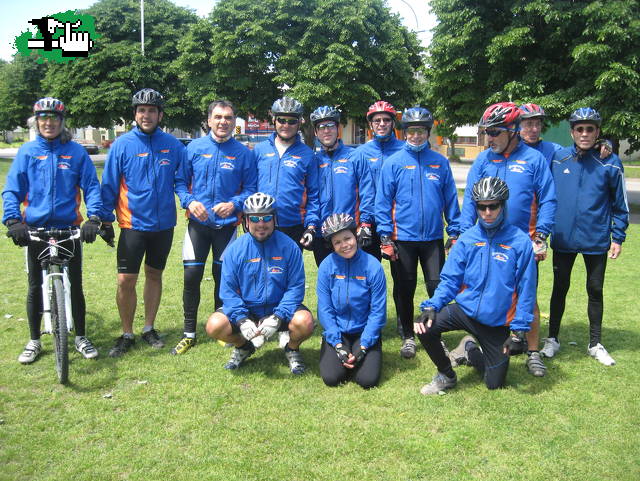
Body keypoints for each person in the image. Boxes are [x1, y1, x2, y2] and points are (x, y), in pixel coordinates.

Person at [2, 97, 103, 363]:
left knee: (76, 285)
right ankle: (34, 340)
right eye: (43, 118)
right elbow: (12, 189)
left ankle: (80, 336)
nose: (48, 123)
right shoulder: (27, 152)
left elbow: (91, 187)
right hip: (34, 229)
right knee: (35, 286)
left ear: (62, 121)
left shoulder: (76, 152)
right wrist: (13, 221)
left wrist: (94, 218)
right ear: (36, 122)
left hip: (68, 229)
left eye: (54, 118)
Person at [414, 177, 536, 394]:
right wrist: (432, 305)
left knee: (494, 383)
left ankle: (469, 349)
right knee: (424, 326)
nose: (487, 212)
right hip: (465, 310)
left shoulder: (519, 242)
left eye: (493, 206)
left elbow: (527, 290)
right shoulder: (467, 239)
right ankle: (446, 375)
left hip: (496, 321)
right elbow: (451, 279)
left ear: (503, 205)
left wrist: (519, 331)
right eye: (481, 206)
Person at [460, 102, 556, 377]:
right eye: (487, 132)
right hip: (485, 242)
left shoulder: (534, 159)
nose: (489, 138)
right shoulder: (483, 160)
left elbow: (548, 198)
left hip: (522, 243)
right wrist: (464, 234)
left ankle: (533, 352)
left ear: (513, 130)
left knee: (528, 297)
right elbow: (469, 200)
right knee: (481, 293)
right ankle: (477, 344)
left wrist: (541, 235)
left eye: (495, 132)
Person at [101, 88, 186, 357]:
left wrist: (188, 200)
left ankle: (149, 327)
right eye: (141, 110)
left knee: (154, 275)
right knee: (126, 280)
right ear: (135, 114)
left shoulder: (173, 145)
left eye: (151, 110)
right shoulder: (122, 145)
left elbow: (181, 181)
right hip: (131, 224)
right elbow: (109, 185)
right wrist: (104, 219)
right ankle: (127, 333)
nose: (146, 115)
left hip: (163, 226)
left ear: (160, 114)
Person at [542, 108, 629, 366]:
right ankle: (552, 339)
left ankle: (595, 343)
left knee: (595, 289)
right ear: (571, 131)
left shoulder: (610, 162)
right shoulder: (558, 158)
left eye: (590, 129)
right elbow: (545, 194)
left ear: (598, 132)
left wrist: (618, 237)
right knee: (560, 288)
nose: (584, 134)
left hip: (595, 239)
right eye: (579, 129)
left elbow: (620, 204)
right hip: (563, 239)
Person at [172, 100, 256, 355]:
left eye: (229, 118)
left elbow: (252, 188)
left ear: (234, 122)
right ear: (208, 120)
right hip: (198, 225)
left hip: (227, 228)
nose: (223, 122)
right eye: (218, 117)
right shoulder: (194, 148)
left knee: (224, 280)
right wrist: (190, 201)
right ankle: (189, 333)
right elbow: (179, 182)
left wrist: (234, 204)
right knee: (191, 277)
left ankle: (222, 327)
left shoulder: (243, 153)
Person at [376, 106, 461, 359]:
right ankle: (408, 337)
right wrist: (385, 237)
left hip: (433, 239)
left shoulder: (440, 162)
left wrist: (454, 232)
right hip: (403, 239)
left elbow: (450, 200)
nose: (416, 136)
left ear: (427, 132)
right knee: (405, 288)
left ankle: (435, 334)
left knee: (437, 287)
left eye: (421, 131)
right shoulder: (393, 163)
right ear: (404, 133)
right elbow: (382, 203)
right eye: (412, 131)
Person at [205, 192, 315, 374]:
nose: (261, 224)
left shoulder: (289, 247)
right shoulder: (235, 250)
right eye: (255, 218)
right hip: (247, 310)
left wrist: (278, 316)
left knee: (305, 322)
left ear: (274, 220)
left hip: (278, 309)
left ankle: (292, 348)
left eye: (266, 218)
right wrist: (241, 320)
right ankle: (243, 347)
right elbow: (228, 291)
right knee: (214, 325)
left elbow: (295, 288)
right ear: (246, 221)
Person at [317, 213, 386, 389]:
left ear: (355, 236)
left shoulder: (373, 266)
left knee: (367, 381)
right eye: (337, 242)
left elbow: (378, 310)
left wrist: (364, 345)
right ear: (331, 245)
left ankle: (364, 351)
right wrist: (337, 343)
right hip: (338, 331)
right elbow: (324, 308)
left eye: (347, 238)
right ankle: (340, 353)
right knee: (332, 378)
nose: (344, 245)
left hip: (364, 330)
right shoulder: (326, 266)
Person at [310, 106, 375, 266]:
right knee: (328, 279)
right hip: (323, 233)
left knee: (355, 282)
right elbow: (310, 196)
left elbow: (367, 192)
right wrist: (311, 226)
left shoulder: (355, 156)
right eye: (321, 127)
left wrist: (365, 223)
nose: (326, 131)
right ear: (316, 132)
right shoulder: (313, 160)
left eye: (330, 126)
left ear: (338, 128)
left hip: (350, 230)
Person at [253, 97, 319, 250]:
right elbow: (250, 186)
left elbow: (314, 195)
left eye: (292, 121)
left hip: (293, 225)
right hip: (261, 222)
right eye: (282, 120)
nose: (286, 125)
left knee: (290, 272)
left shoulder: (308, 155)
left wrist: (311, 225)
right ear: (274, 120)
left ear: (300, 122)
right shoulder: (259, 150)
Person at [352, 100, 404, 260]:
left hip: (397, 222)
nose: (382, 124)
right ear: (371, 124)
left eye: (386, 120)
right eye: (377, 120)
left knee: (403, 278)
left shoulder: (404, 150)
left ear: (393, 123)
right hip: (369, 222)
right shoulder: (360, 152)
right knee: (367, 273)